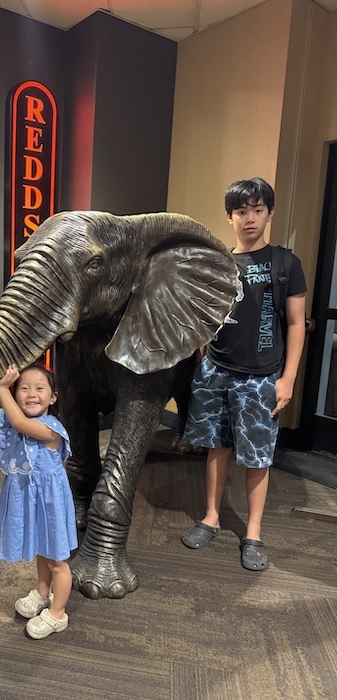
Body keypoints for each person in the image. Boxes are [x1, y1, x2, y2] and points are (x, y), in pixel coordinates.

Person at [181, 178, 307, 571]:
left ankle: (253, 533)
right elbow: (204, 314)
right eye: (241, 211)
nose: (249, 218)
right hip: (215, 372)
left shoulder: (286, 264)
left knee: (257, 457)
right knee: (215, 447)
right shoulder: (219, 262)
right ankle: (211, 517)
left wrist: (287, 379)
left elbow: (296, 324)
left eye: (257, 210)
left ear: (269, 213)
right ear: (229, 216)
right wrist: (203, 354)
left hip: (261, 377)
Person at [0, 363, 77, 639]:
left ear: (53, 397)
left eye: (39, 388)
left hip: (50, 503)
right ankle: (43, 593)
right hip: (31, 499)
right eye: (23, 388)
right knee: (41, 551)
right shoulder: (12, 420)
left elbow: (20, 423)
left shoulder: (51, 429)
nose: (31, 394)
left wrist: (4, 388)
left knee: (57, 559)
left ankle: (58, 614)